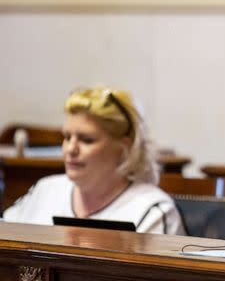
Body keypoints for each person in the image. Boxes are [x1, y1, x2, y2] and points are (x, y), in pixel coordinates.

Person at [3, 87, 185, 235]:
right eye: (67, 137)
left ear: (124, 149)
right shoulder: (45, 190)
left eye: (86, 139)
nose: (70, 149)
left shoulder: (152, 211)